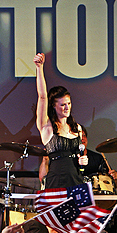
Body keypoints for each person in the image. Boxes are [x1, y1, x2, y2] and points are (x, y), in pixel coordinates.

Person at [34, 53, 87, 189]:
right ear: (53, 105)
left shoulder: (77, 128)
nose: (67, 107)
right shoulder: (46, 127)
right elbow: (42, 96)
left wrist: (83, 161)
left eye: (69, 103)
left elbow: (80, 155)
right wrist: (39, 68)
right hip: (56, 183)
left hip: (76, 182)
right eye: (62, 104)